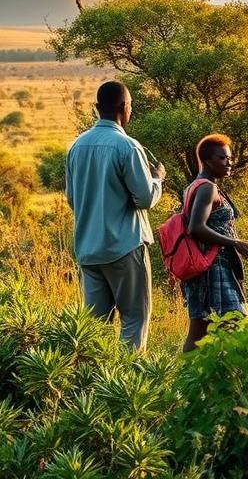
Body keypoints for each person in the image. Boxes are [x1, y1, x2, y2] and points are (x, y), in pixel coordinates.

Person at [65, 81, 165, 351]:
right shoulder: (127, 147)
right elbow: (144, 198)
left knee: (94, 328)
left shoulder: (77, 146)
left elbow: (73, 200)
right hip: (124, 247)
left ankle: (92, 385)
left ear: (98, 108)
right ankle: (126, 384)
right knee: (134, 319)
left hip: (88, 250)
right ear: (125, 107)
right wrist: (157, 180)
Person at [180, 134, 248, 352]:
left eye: (230, 157)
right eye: (222, 158)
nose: (229, 162)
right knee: (235, 324)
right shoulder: (206, 188)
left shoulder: (195, 186)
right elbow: (196, 227)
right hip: (213, 268)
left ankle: (186, 380)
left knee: (199, 330)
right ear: (207, 161)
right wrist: (235, 242)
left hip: (207, 268)